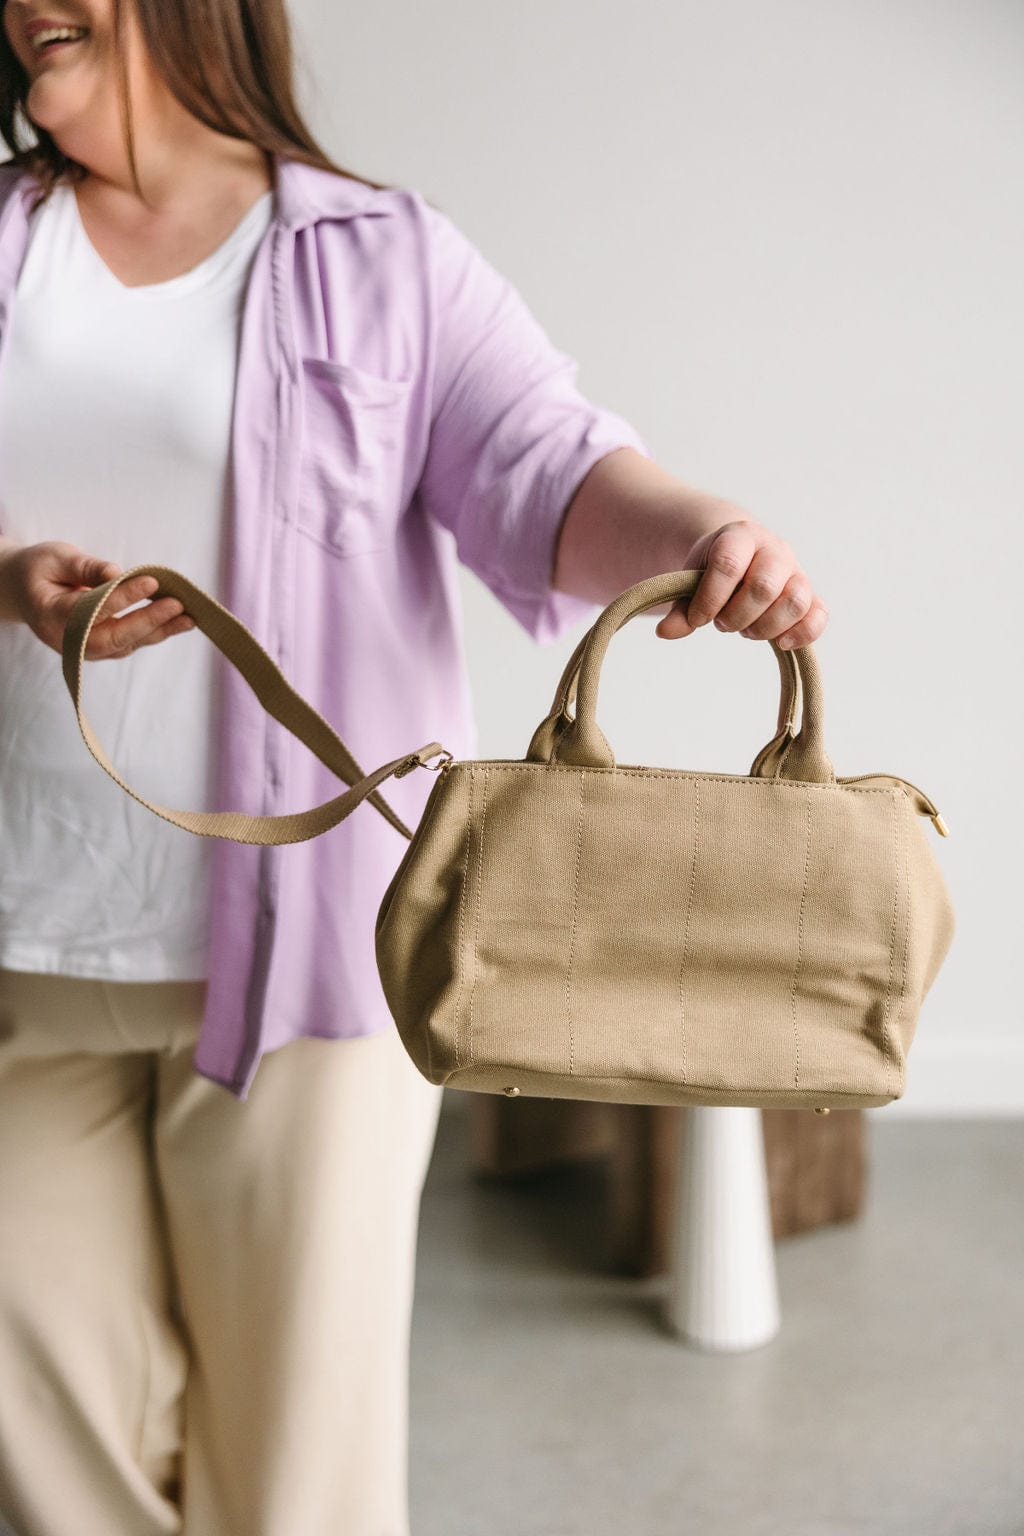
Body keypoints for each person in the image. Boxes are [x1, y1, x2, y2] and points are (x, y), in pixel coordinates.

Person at [0, 1, 829, 1532]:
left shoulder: (380, 258)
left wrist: (704, 539)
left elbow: (549, 462)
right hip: (18, 953)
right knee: (43, 1463)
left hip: (313, 966)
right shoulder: (9, 239)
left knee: (297, 1486)